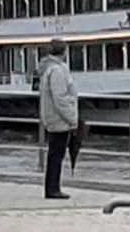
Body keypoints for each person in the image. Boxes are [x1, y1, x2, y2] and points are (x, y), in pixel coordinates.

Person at [38, 38, 78, 199]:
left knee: (54, 154)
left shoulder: (48, 69)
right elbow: (60, 97)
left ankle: (52, 187)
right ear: (64, 52)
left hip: (51, 117)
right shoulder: (57, 71)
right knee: (56, 155)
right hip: (59, 119)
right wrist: (72, 118)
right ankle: (53, 189)